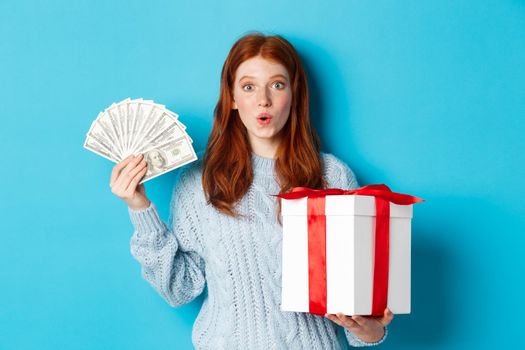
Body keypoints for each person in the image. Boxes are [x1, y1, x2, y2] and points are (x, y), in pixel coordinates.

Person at [109, 32, 393, 349]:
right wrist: (139, 207)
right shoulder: (200, 179)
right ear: (232, 97)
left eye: (277, 84)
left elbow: (358, 314)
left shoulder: (333, 176)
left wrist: (369, 329)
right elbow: (180, 289)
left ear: (294, 94)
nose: (263, 100)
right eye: (249, 86)